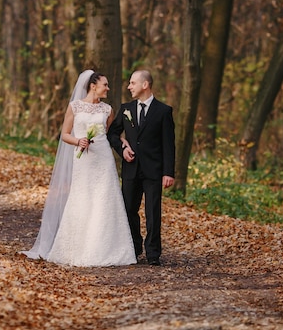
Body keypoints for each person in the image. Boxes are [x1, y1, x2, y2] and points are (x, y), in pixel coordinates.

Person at [20, 70, 136, 267]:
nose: (108, 88)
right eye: (105, 84)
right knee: (82, 198)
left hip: (103, 159)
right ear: (93, 85)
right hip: (83, 160)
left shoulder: (107, 110)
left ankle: (105, 249)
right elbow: (64, 134)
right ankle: (77, 248)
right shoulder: (75, 107)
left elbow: (110, 134)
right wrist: (78, 141)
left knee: (104, 200)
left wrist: (123, 142)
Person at [108, 70, 175, 266]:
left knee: (153, 212)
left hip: (154, 170)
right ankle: (134, 249)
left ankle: (153, 253)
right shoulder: (126, 108)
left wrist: (168, 172)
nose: (129, 87)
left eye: (132, 83)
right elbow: (113, 134)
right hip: (131, 169)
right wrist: (123, 147)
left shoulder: (164, 111)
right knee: (129, 210)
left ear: (145, 85)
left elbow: (169, 144)